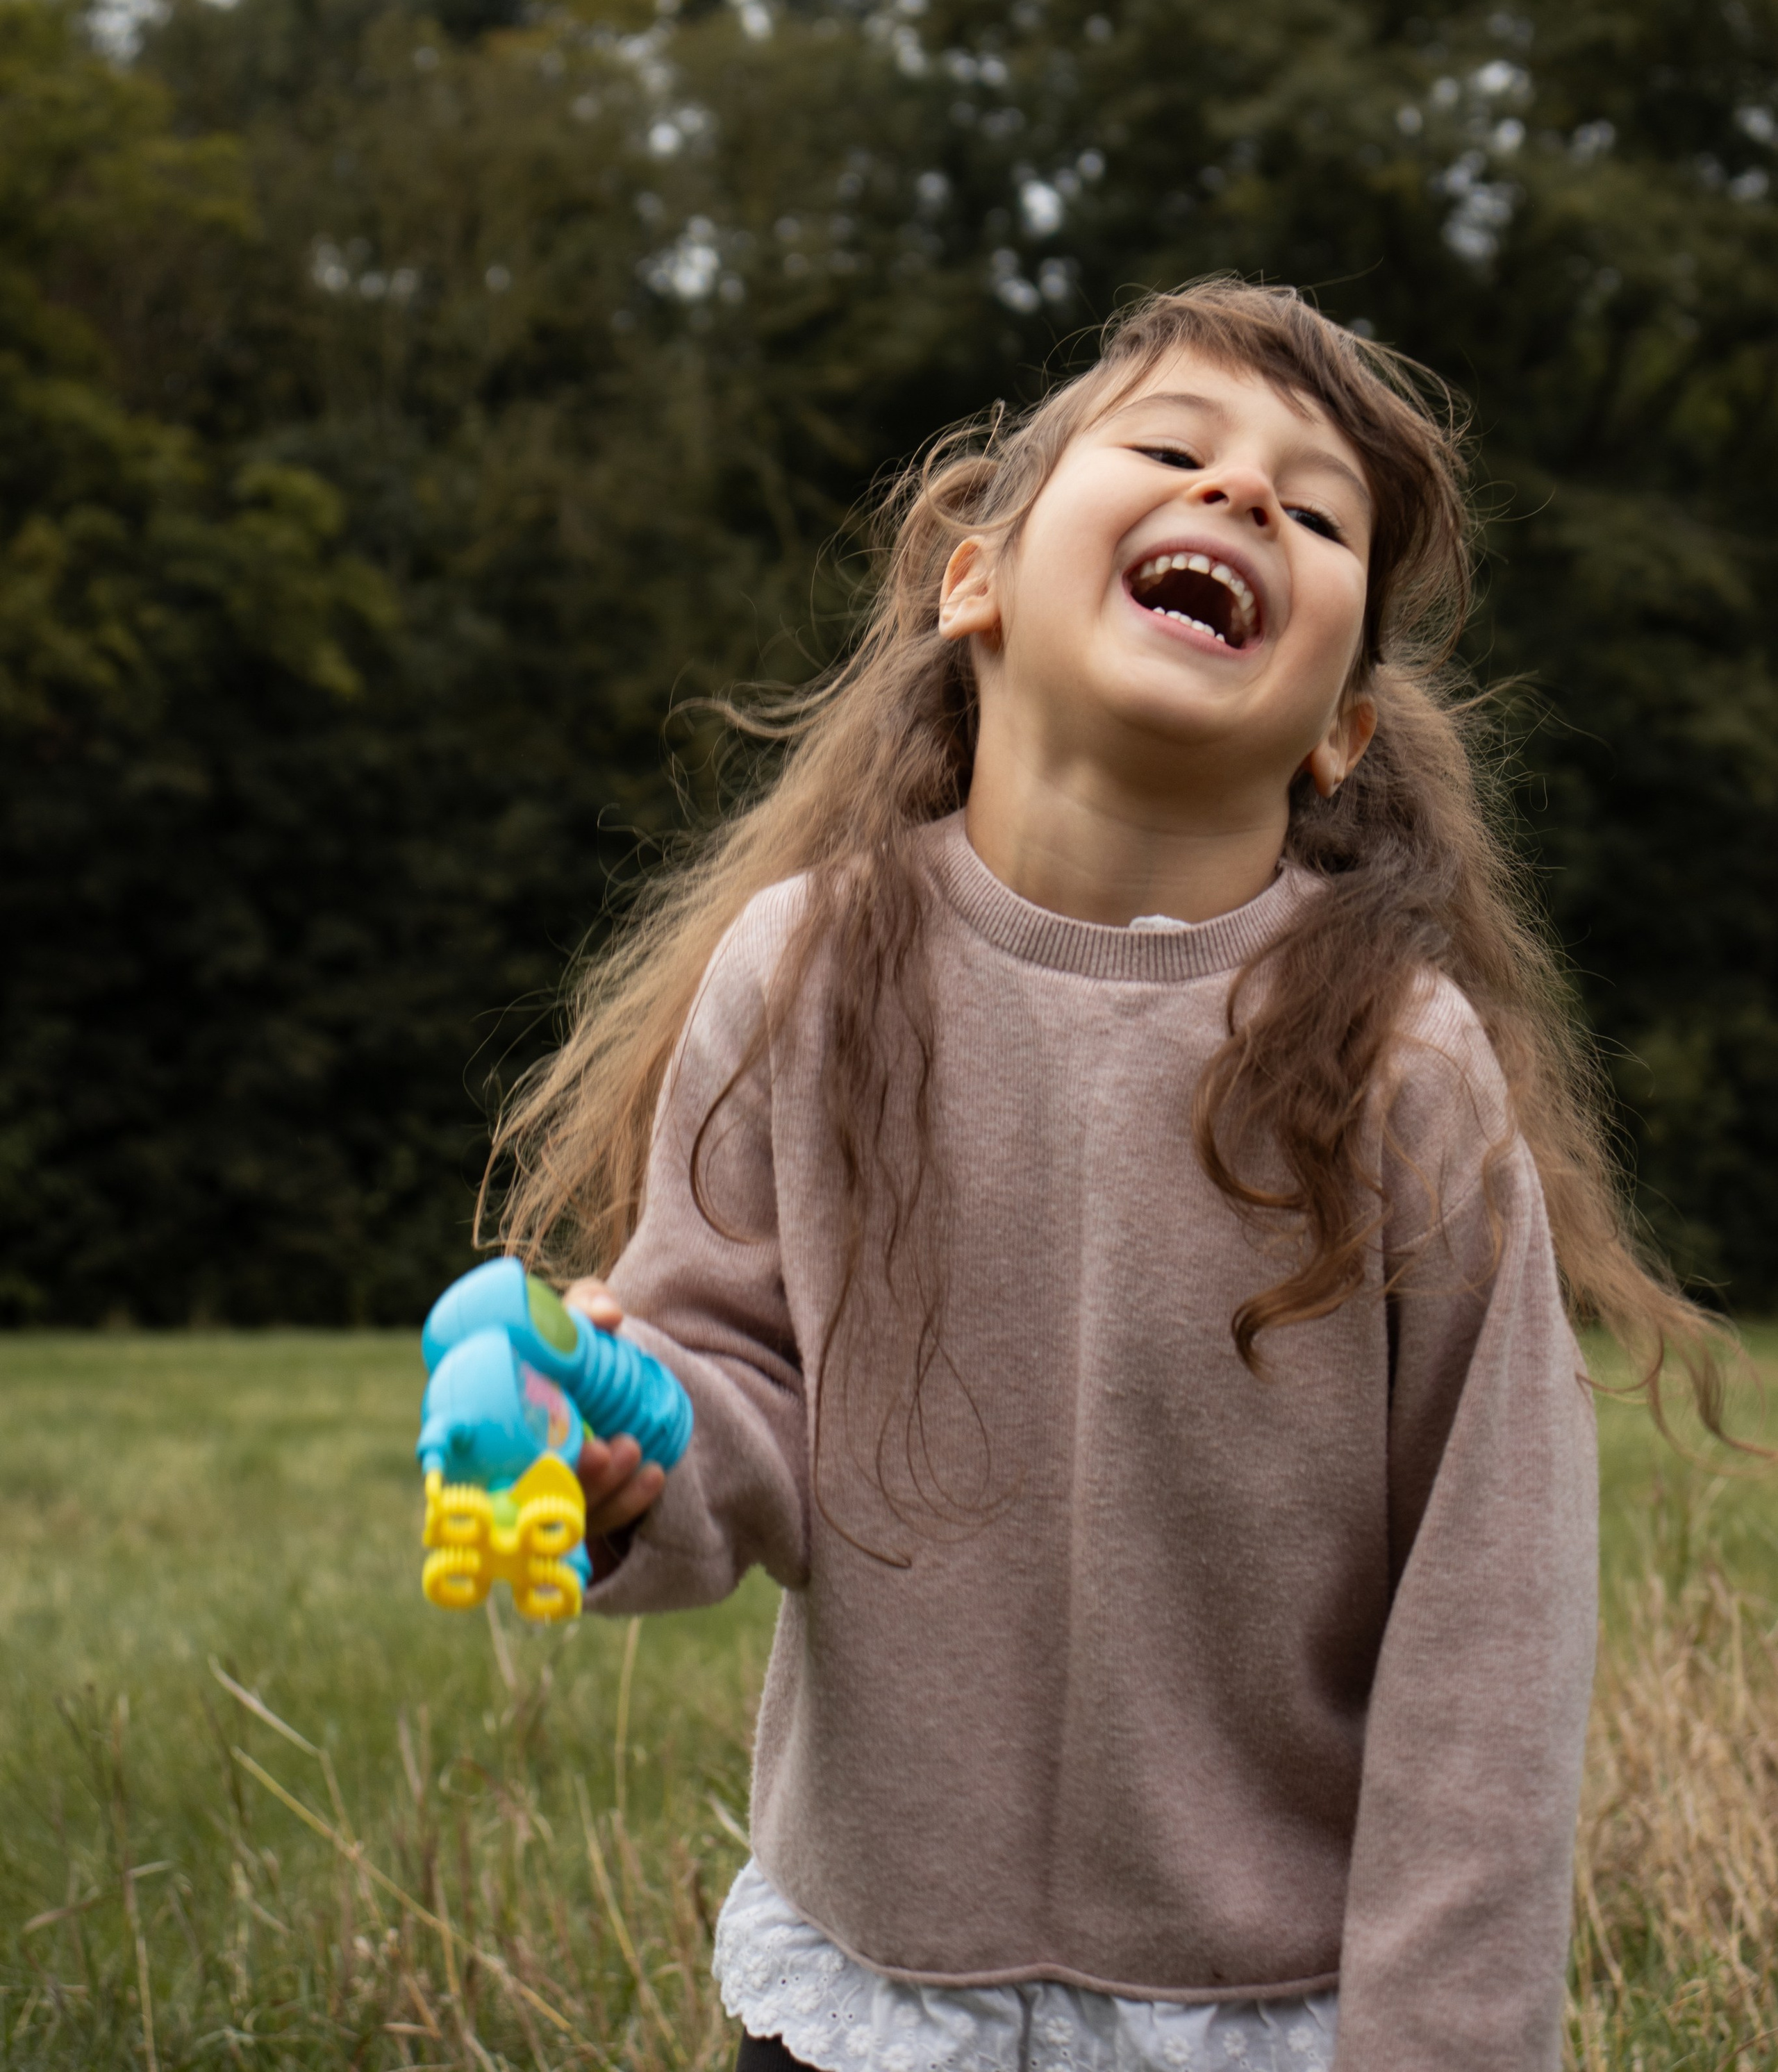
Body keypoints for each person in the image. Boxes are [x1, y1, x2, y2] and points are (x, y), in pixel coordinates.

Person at [487, 279, 1730, 2072]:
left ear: (1340, 734)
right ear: (972, 579)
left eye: (1316, 516)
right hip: (875, 1999)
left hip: (1259, 2020)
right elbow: (735, 1382)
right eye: (1171, 448)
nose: (1241, 499)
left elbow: (1489, 1633)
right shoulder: (806, 973)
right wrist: (618, 1456)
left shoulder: (1403, 1066)